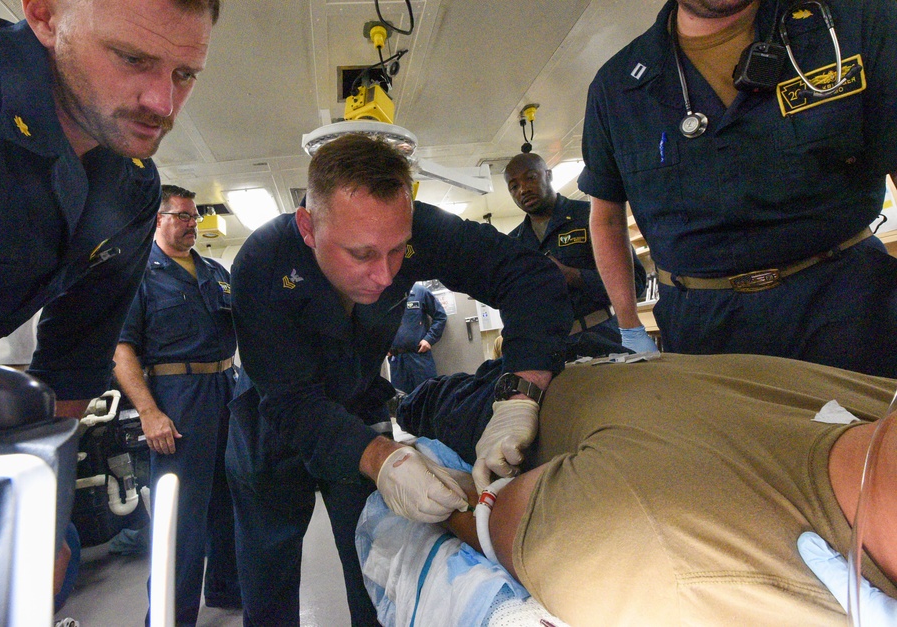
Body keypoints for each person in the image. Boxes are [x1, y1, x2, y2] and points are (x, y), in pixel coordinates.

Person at [0, 0, 218, 596]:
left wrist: (47, 520)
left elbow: (73, 367)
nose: (162, 103)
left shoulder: (130, 189)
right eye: (133, 59)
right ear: (44, 15)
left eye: (183, 74)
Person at [227, 133, 573, 626]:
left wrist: (520, 392)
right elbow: (293, 402)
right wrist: (382, 460)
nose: (386, 276)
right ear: (308, 226)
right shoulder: (262, 263)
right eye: (361, 255)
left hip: (357, 405)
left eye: (397, 252)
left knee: (372, 558)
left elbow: (527, 275)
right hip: (272, 418)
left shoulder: (418, 230)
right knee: (268, 568)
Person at [432, 352, 897, 625]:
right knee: (434, 398)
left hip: (588, 384)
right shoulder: (656, 543)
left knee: (437, 398)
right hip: (528, 400)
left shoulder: (676, 559)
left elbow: (484, 510)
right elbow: (480, 511)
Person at [578, 0, 897, 376]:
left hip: (853, 305)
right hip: (703, 332)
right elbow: (607, 220)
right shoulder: (616, 88)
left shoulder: (856, 22)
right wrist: (630, 327)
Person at [113, 186, 240, 624]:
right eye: (183, 216)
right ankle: (170, 616)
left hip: (228, 388)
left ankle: (226, 589)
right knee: (181, 517)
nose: (192, 224)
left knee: (229, 501)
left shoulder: (216, 271)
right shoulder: (140, 275)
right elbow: (122, 349)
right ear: (158, 219)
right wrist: (150, 412)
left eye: (194, 216)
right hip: (179, 397)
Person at [505, 152, 649, 356]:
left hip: (604, 337)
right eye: (514, 186)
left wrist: (573, 276)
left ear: (548, 175)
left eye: (531, 177)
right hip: (551, 351)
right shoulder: (514, 244)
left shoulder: (591, 217)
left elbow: (635, 282)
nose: (523, 189)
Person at [387, 282, 447, 393]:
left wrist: (429, 339)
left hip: (419, 357)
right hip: (397, 361)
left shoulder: (420, 291)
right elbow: (377, 324)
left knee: (428, 396)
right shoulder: (384, 294)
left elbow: (440, 316)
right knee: (402, 401)